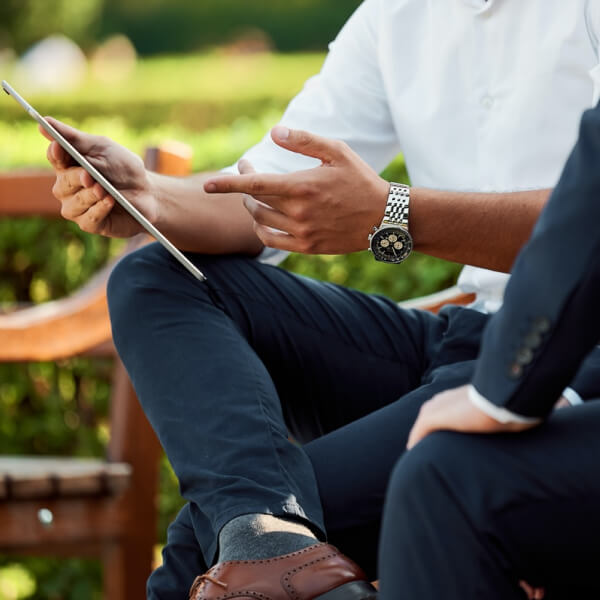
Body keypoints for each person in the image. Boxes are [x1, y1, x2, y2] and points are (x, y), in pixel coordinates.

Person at [43, 1, 600, 598]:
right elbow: (268, 189)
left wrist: (395, 216)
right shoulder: (395, 16)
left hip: (567, 350)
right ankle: (270, 535)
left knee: (192, 561)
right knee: (154, 276)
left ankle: (266, 541)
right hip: (460, 336)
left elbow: (586, 219)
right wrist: (148, 197)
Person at [377, 99, 600, 599]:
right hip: (469, 337)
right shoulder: (386, 22)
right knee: (230, 520)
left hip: (521, 359)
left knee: (443, 481)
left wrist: (505, 392)